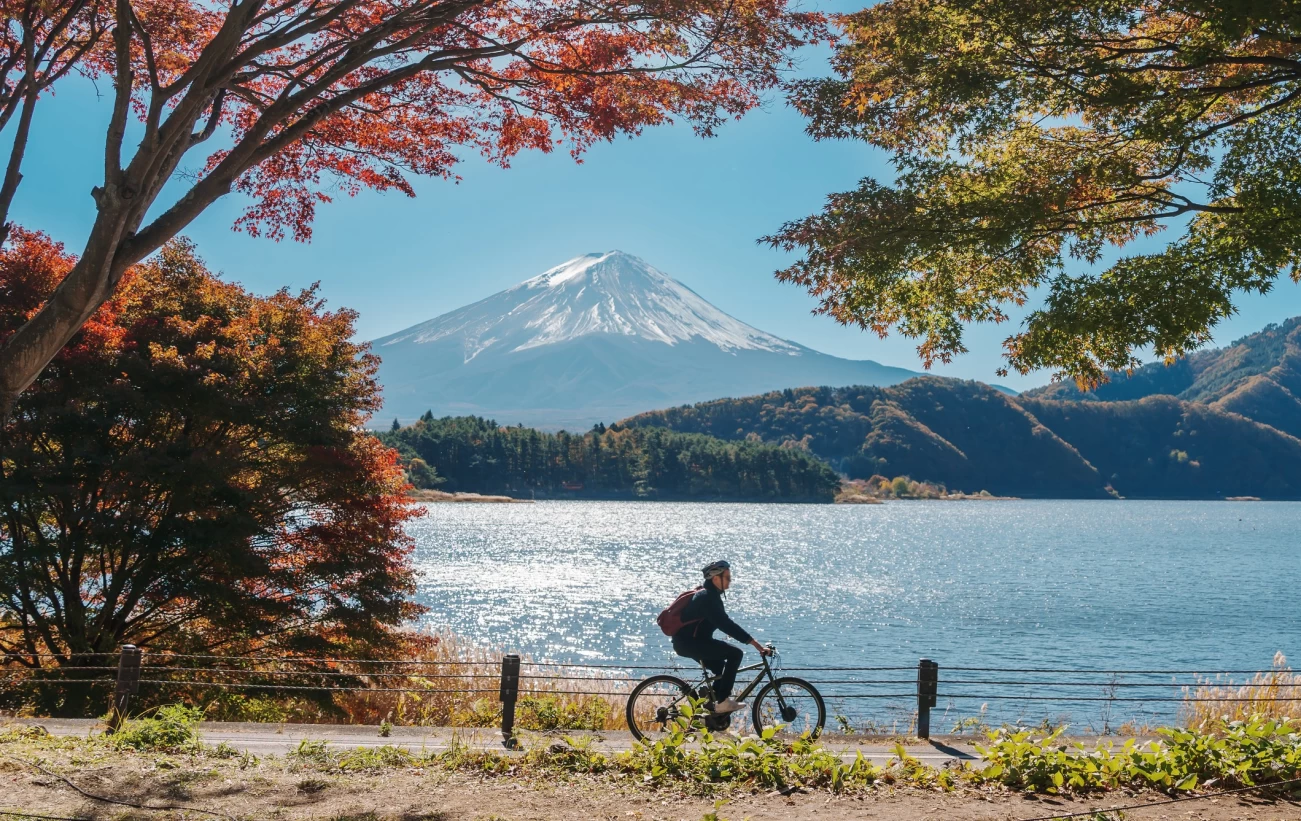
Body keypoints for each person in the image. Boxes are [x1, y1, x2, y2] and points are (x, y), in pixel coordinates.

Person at [671, 560, 771, 714]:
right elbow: (726, 625)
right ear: (716, 579)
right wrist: (755, 644)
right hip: (690, 643)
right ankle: (723, 701)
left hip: (692, 642)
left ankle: (711, 708)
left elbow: (723, 623)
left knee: (720, 668)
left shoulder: (711, 596)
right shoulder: (707, 598)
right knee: (735, 654)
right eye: (728, 577)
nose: (730, 580)